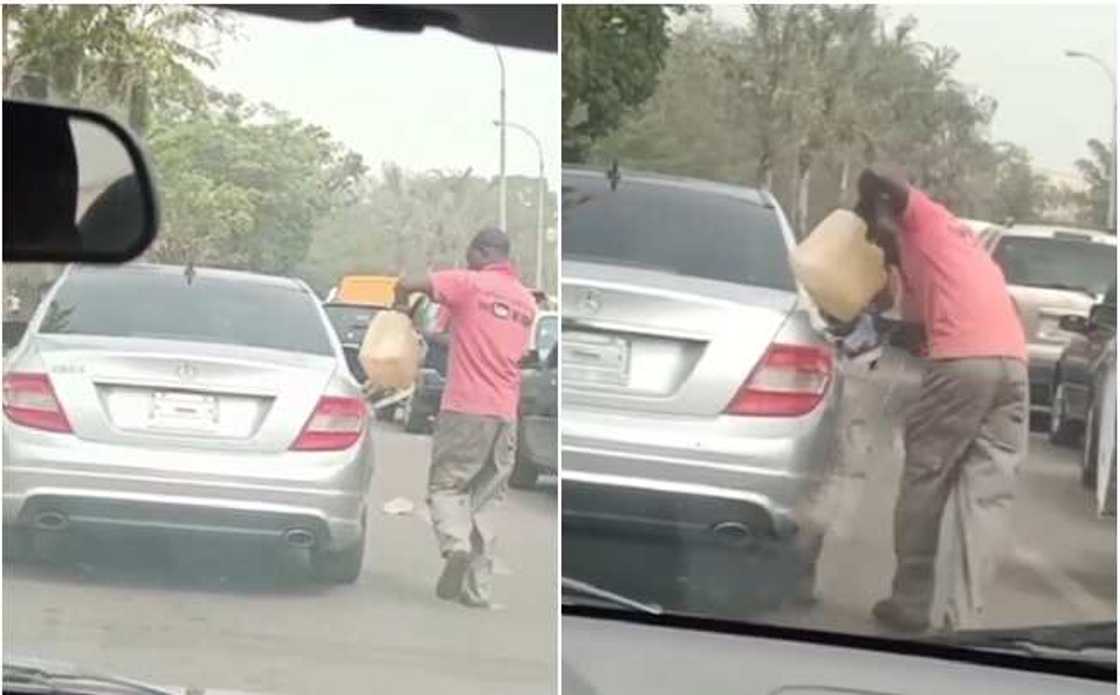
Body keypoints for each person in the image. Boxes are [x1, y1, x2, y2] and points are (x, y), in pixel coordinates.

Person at [855, 167, 1028, 633]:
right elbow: (916, 330)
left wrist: (881, 216)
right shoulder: (944, 250)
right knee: (987, 497)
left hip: (964, 363)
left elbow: (878, 176)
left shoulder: (926, 220)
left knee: (925, 480)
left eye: (874, 235)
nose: (877, 244)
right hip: (1013, 362)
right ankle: (965, 620)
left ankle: (910, 601)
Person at [394, 227, 536, 608]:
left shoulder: (468, 283)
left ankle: (455, 546)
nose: (465, 258)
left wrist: (398, 304)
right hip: (505, 414)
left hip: (465, 408)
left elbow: (409, 282)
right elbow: (475, 343)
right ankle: (477, 590)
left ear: (483, 252)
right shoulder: (526, 302)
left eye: (469, 252)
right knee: (486, 502)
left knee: (446, 486)